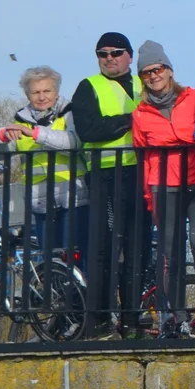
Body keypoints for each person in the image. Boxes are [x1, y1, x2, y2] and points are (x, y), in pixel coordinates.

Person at [131, 41, 195, 339]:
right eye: (146, 73)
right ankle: (178, 317)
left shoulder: (194, 98)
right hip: (162, 186)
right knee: (171, 254)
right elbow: (143, 156)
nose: (153, 76)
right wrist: (147, 196)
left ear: (169, 70)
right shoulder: (140, 113)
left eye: (158, 69)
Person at [71, 32, 146, 338]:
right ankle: (98, 316)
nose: (109, 59)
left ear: (129, 55)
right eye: (103, 54)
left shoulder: (146, 81)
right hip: (105, 174)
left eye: (116, 53)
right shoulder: (89, 86)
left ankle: (131, 317)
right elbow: (89, 130)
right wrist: (130, 119)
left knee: (137, 248)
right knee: (104, 248)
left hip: (141, 173)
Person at [0, 66, 89, 258]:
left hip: (73, 196)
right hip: (40, 200)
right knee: (49, 260)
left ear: (57, 91)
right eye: (36, 92)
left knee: (74, 257)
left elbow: (74, 142)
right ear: (27, 95)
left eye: (46, 91)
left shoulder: (70, 113)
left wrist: (36, 134)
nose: (42, 97)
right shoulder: (20, 120)